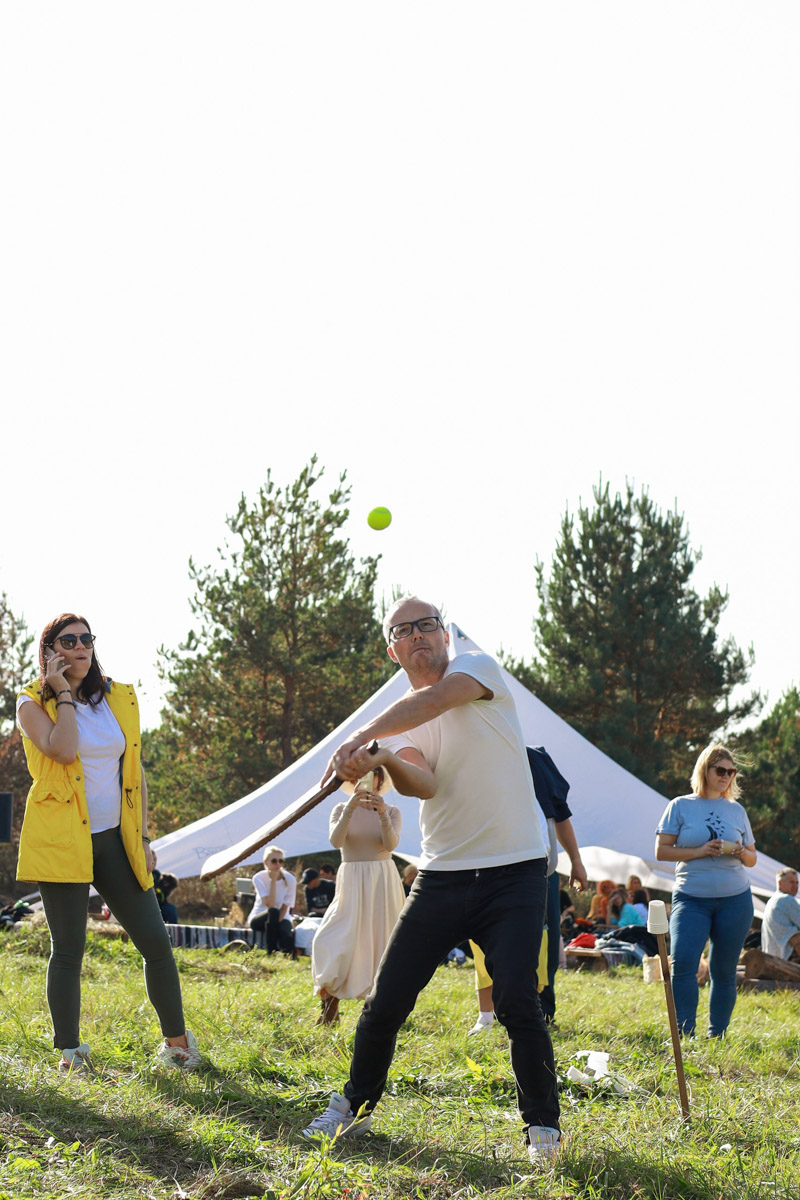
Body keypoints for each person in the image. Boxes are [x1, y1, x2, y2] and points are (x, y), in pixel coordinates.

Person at [302, 596, 561, 1167]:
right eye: (404, 630)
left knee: (519, 998)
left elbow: (436, 700)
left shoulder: (477, 670)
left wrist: (357, 740)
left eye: (427, 625)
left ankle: (543, 1128)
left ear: (445, 635)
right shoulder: (397, 724)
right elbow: (424, 783)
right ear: (390, 648)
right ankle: (353, 1103)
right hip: (442, 875)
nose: (418, 635)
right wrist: (380, 759)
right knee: (386, 1000)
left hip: (514, 870)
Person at [16, 613, 200, 1073]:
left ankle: (178, 1047)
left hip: (116, 842)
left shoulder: (116, 697)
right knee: (69, 950)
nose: (80, 646)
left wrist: (142, 835)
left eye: (86, 638)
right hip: (62, 841)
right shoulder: (30, 703)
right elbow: (60, 749)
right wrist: (61, 693)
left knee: (156, 943)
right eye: (68, 640)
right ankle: (70, 1053)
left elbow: (133, 770)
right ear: (50, 651)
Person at [655, 743, 757, 1037]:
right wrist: (700, 851)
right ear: (705, 770)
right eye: (720, 770)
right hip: (691, 898)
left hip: (735, 900)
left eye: (731, 771)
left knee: (723, 970)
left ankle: (718, 1035)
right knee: (684, 961)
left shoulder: (737, 810)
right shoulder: (680, 805)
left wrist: (740, 852)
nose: (726, 776)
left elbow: (752, 858)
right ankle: (685, 1035)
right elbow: (661, 851)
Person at [311, 771, 404, 1025]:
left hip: (381, 880)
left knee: (381, 942)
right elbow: (336, 840)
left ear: (379, 780)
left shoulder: (392, 810)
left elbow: (391, 844)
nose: (364, 778)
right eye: (359, 774)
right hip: (351, 879)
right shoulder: (341, 808)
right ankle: (330, 1006)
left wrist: (382, 813)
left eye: (371, 773)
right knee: (328, 939)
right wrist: (350, 808)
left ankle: (379, 1012)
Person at [248, 846, 296, 953]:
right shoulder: (258, 878)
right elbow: (270, 904)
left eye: (281, 861)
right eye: (274, 861)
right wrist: (273, 880)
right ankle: (271, 950)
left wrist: (276, 925)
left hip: (282, 917)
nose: (278, 864)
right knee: (273, 911)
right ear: (266, 862)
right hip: (260, 916)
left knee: (284, 931)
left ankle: (290, 955)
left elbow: (285, 907)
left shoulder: (290, 879)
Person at [760, 869, 800, 961]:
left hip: (771, 957)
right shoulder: (786, 899)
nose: (795, 886)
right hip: (785, 959)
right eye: (791, 882)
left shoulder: (772, 900)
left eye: (797, 883)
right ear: (780, 883)